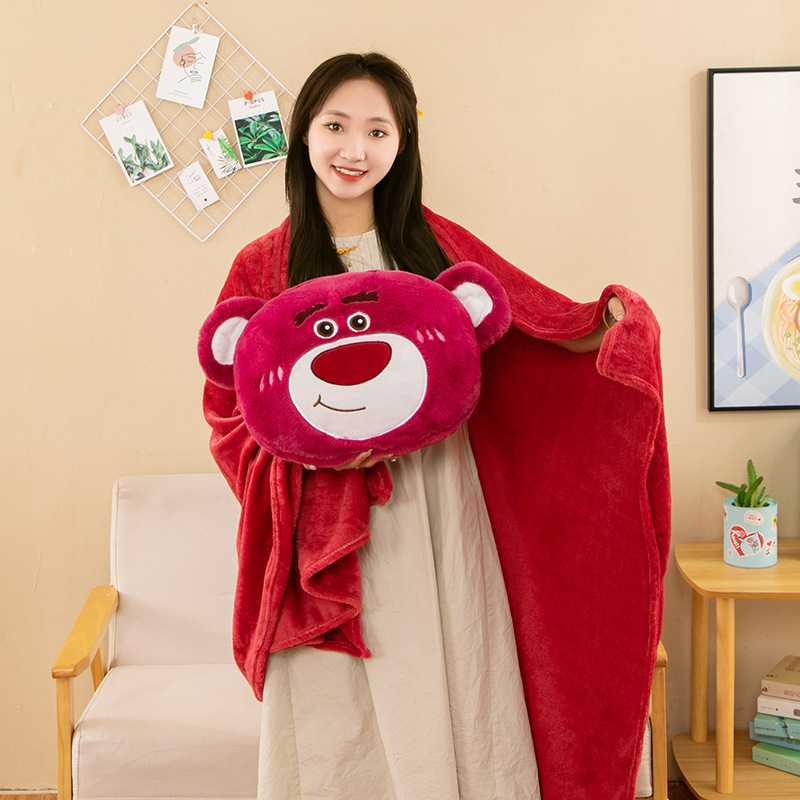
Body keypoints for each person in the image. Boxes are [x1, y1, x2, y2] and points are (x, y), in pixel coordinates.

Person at [203, 52, 669, 800]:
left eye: (377, 131)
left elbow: (526, 329)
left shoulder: (434, 245)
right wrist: (317, 460)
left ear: (402, 143)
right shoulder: (263, 266)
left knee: (458, 672)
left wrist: (608, 322)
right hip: (333, 525)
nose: (355, 150)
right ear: (304, 133)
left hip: (442, 499)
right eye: (336, 126)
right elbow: (231, 411)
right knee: (344, 706)